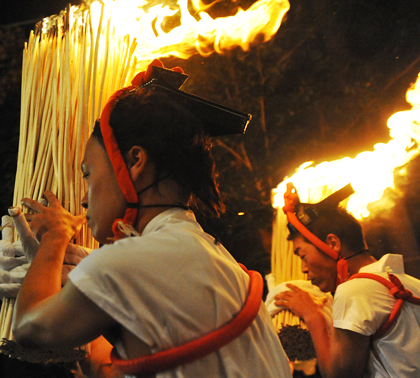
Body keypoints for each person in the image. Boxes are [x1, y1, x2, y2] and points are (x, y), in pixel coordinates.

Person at [11, 60, 292, 378]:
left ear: (135, 162)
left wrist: (55, 237)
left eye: (88, 175)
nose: (84, 198)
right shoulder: (206, 254)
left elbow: (29, 330)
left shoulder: (132, 263)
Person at [275, 183, 420, 378]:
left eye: (302, 256)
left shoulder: (354, 291)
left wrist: (313, 317)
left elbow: (339, 376)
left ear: (332, 243)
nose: (303, 269)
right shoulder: (411, 282)